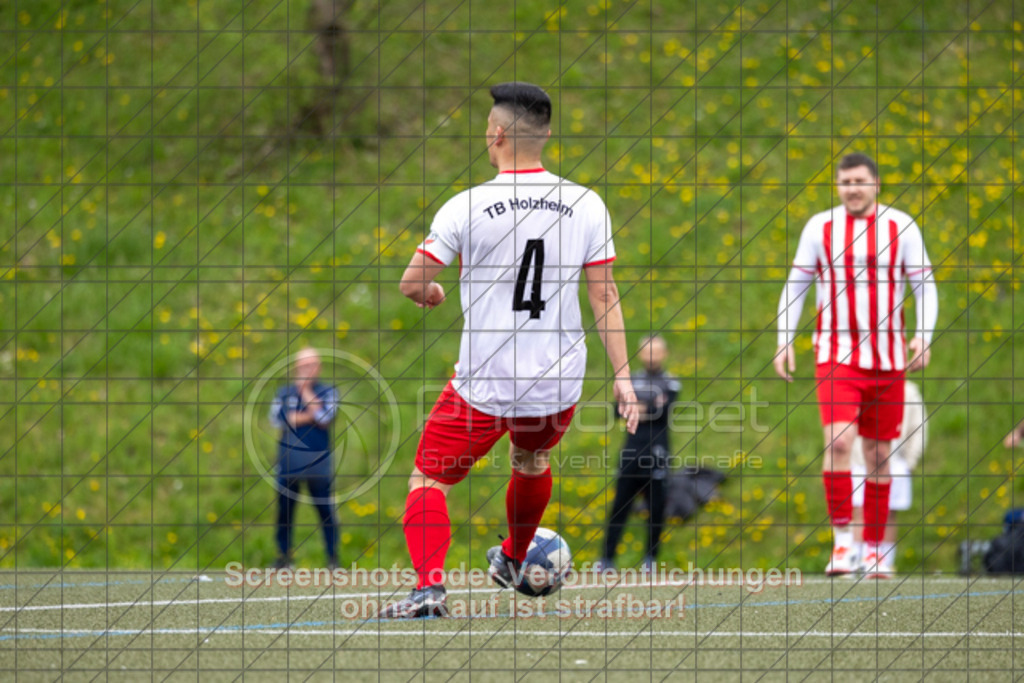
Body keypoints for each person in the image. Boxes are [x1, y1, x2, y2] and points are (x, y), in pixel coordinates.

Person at [378, 82, 639, 618]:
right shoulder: (587, 203)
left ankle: (429, 590)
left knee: (429, 478)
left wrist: (430, 292)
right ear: (546, 135)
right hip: (557, 379)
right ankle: (516, 559)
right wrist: (624, 377)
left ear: (496, 134)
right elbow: (604, 293)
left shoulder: (467, 205)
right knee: (532, 458)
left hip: (486, 378)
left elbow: (411, 282)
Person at [774, 152, 939, 577]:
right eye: (845, 182)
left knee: (879, 453)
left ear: (876, 184)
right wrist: (784, 339)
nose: (853, 189)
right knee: (839, 443)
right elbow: (796, 285)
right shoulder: (820, 227)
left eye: (860, 181)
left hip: (888, 360)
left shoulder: (901, 226)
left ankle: (874, 548)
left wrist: (923, 336)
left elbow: (924, 285)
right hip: (837, 355)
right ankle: (843, 541)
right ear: (838, 186)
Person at [597, 335, 680, 573]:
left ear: (664, 354)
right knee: (619, 505)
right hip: (631, 451)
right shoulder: (630, 380)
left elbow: (659, 411)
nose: (651, 356)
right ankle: (606, 559)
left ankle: (650, 559)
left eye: (656, 351)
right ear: (640, 353)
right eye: (647, 351)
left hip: (658, 452)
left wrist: (637, 407)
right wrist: (645, 407)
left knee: (656, 508)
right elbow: (618, 410)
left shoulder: (671, 382)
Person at [268, 347, 340, 569]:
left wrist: (306, 392)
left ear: (319, 367)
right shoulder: (284, 393)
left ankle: (332, 558)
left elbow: (325, 417)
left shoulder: (328, 391)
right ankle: (283, 558)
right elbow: (278, 419)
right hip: (289, 462)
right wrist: (311, 415)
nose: (307, 369)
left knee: (325, 511)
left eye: (312, 365)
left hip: (318, 462)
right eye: (303, 365)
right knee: (285, 512)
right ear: (296, 367)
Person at [850, 381, 926, 577]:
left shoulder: (908, 391)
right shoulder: (858, 385)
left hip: (895, 462)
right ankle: (857, 562)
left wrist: (910, 461)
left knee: (889, 515)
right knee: (860, 512)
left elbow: (918, 427)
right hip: (860, 462)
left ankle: (885, 561)